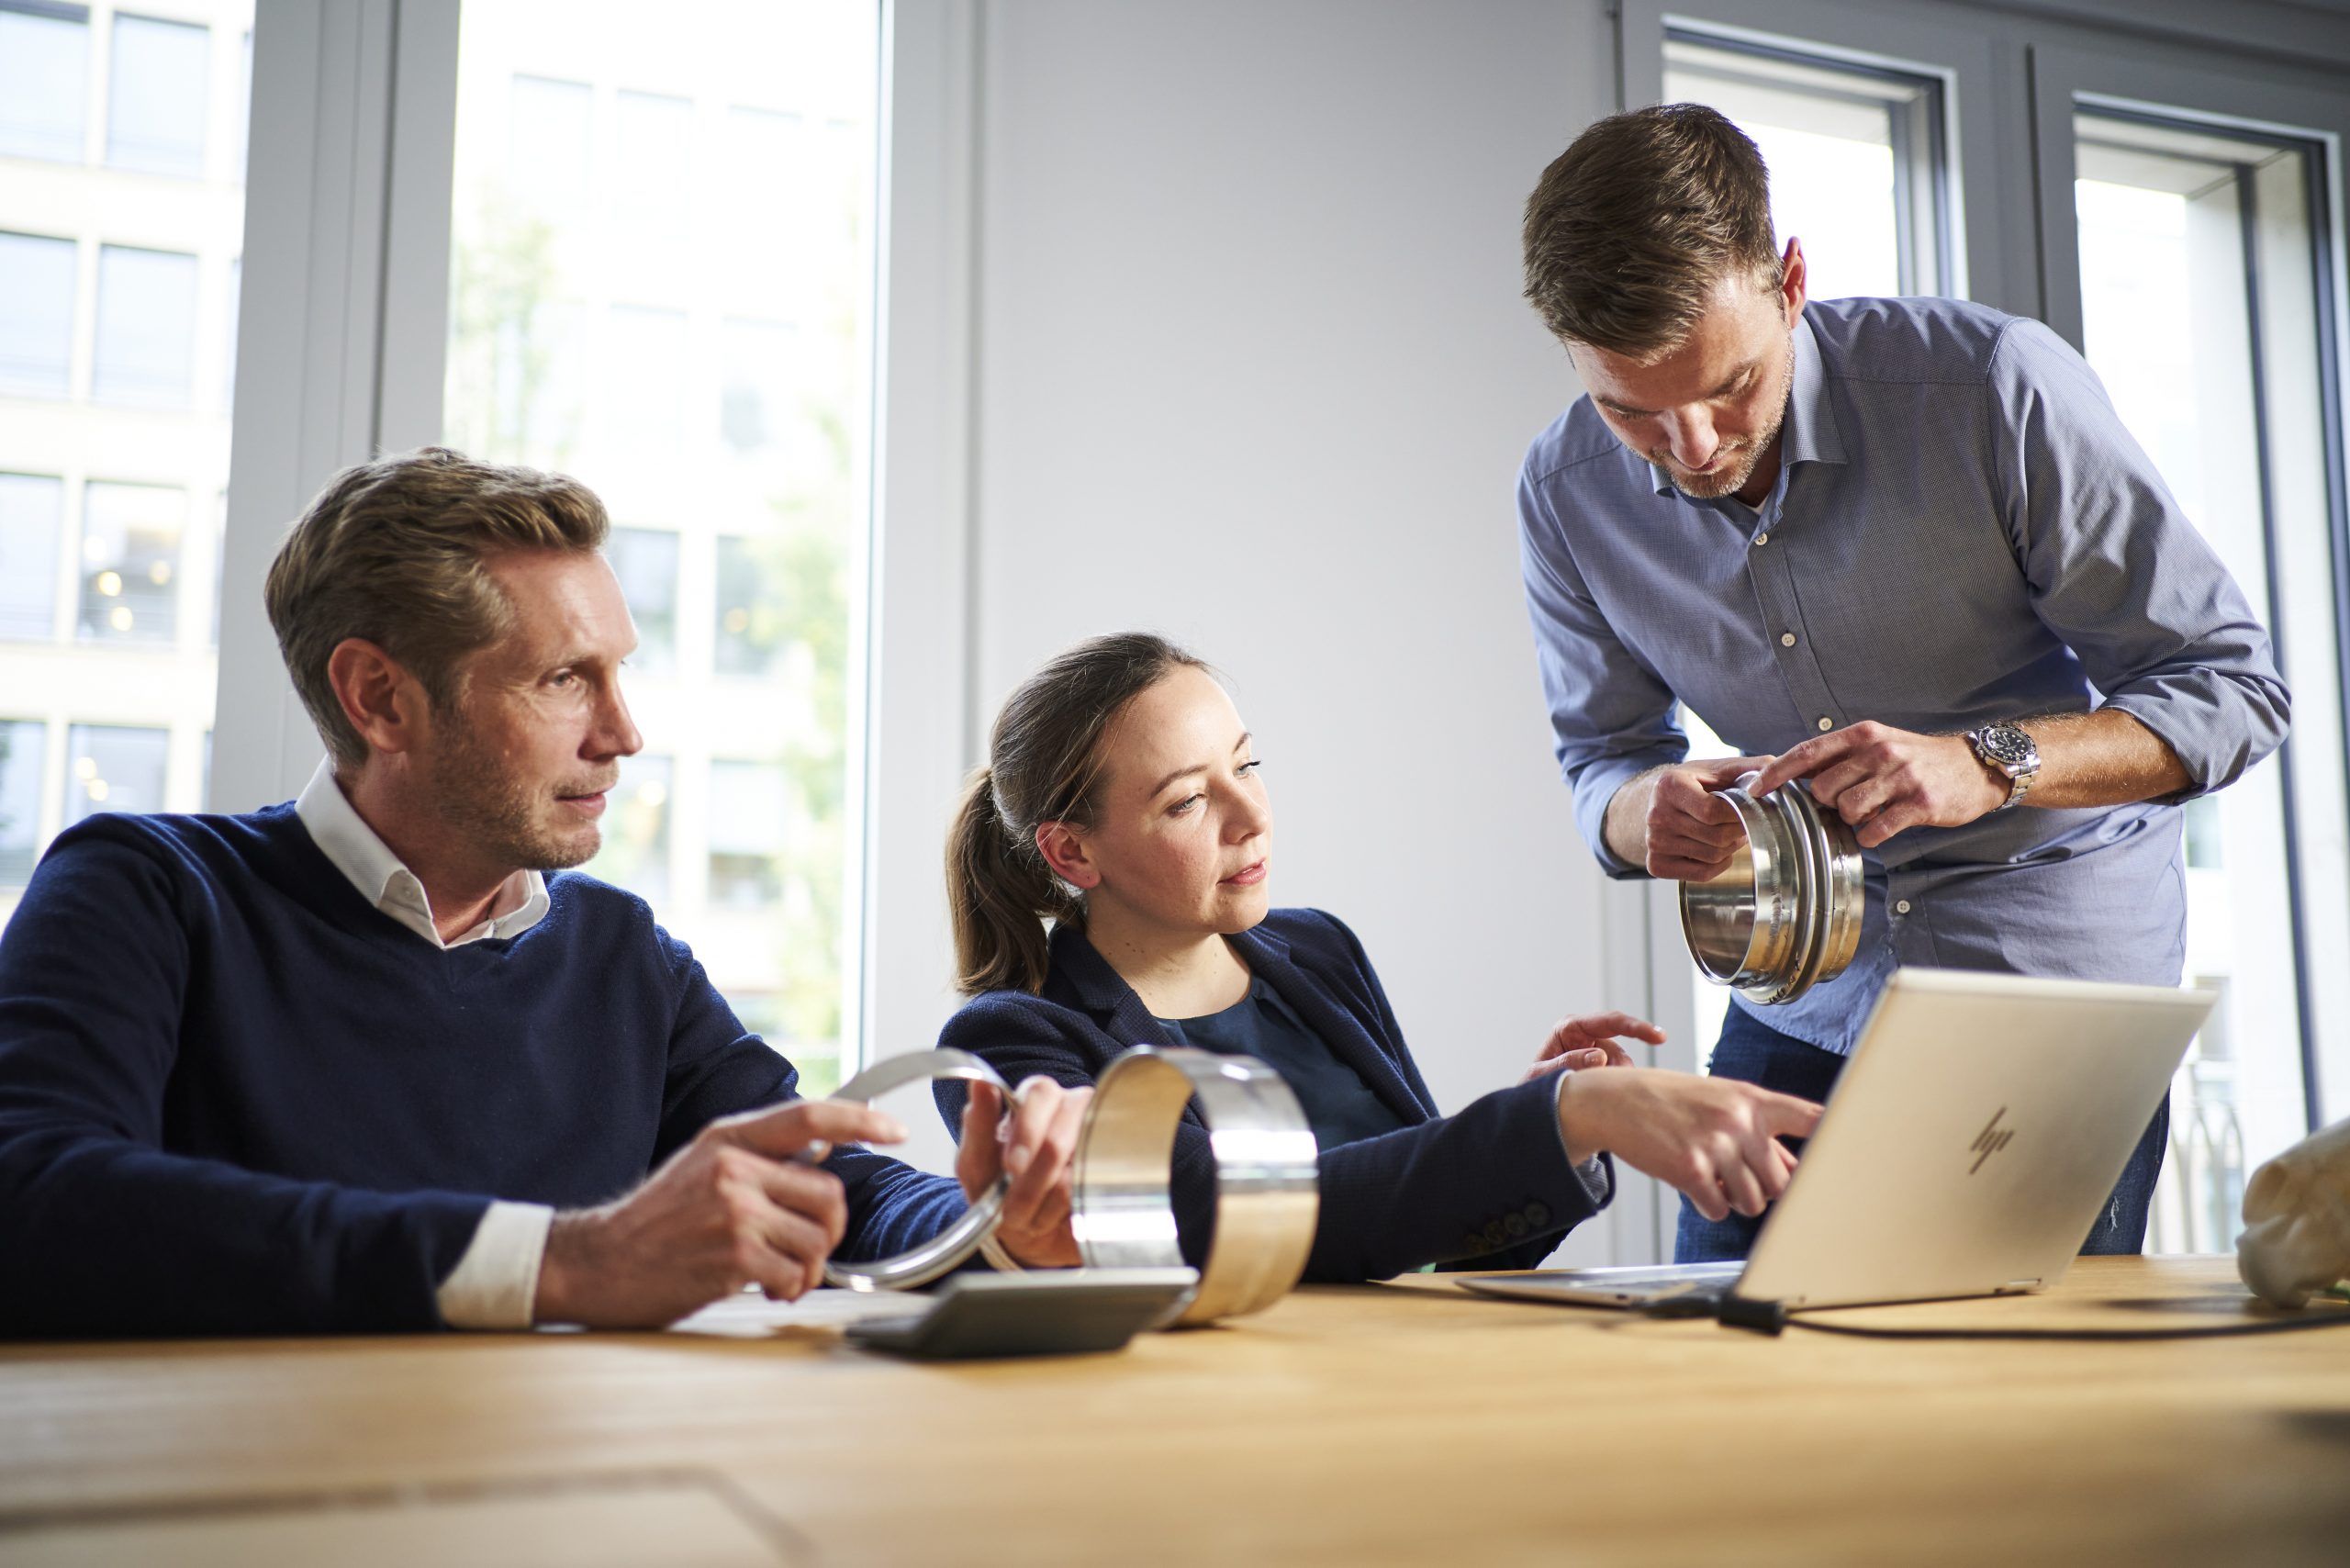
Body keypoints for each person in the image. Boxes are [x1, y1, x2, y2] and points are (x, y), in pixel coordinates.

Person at [0, 448, 1087, 1338]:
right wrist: (566, 1261)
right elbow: (33, 1198)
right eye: (565, 679)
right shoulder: (144, 889)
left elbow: (817, 1182)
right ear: (380, 696)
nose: (623, 735)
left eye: (618, 672)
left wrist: (993, 1227)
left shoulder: (625, 954)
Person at [1514, 106, 2290, 1262]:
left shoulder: (1989, 389)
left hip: (2044, 1000)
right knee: (1722, 1382)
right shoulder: (1565, 493)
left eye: (1727, 385)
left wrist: (1987, 764)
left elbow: (2231, 689)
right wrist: (1644, 811)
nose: (1690, 447)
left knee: (1999, 1412)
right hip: (1801, 992)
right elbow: (1601, 759)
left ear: (1788, 283)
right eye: (1631, 409)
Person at [932, 633, 1823, 1280]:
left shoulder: (1318, 953)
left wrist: (1547, 1128)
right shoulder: (1011, 1043)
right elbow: (1223, 1223)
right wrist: (1564, 1115)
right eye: (1184, 803)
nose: (1249, 817)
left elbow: (1421, 1236)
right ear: (1071, 853)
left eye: (1246, 765)